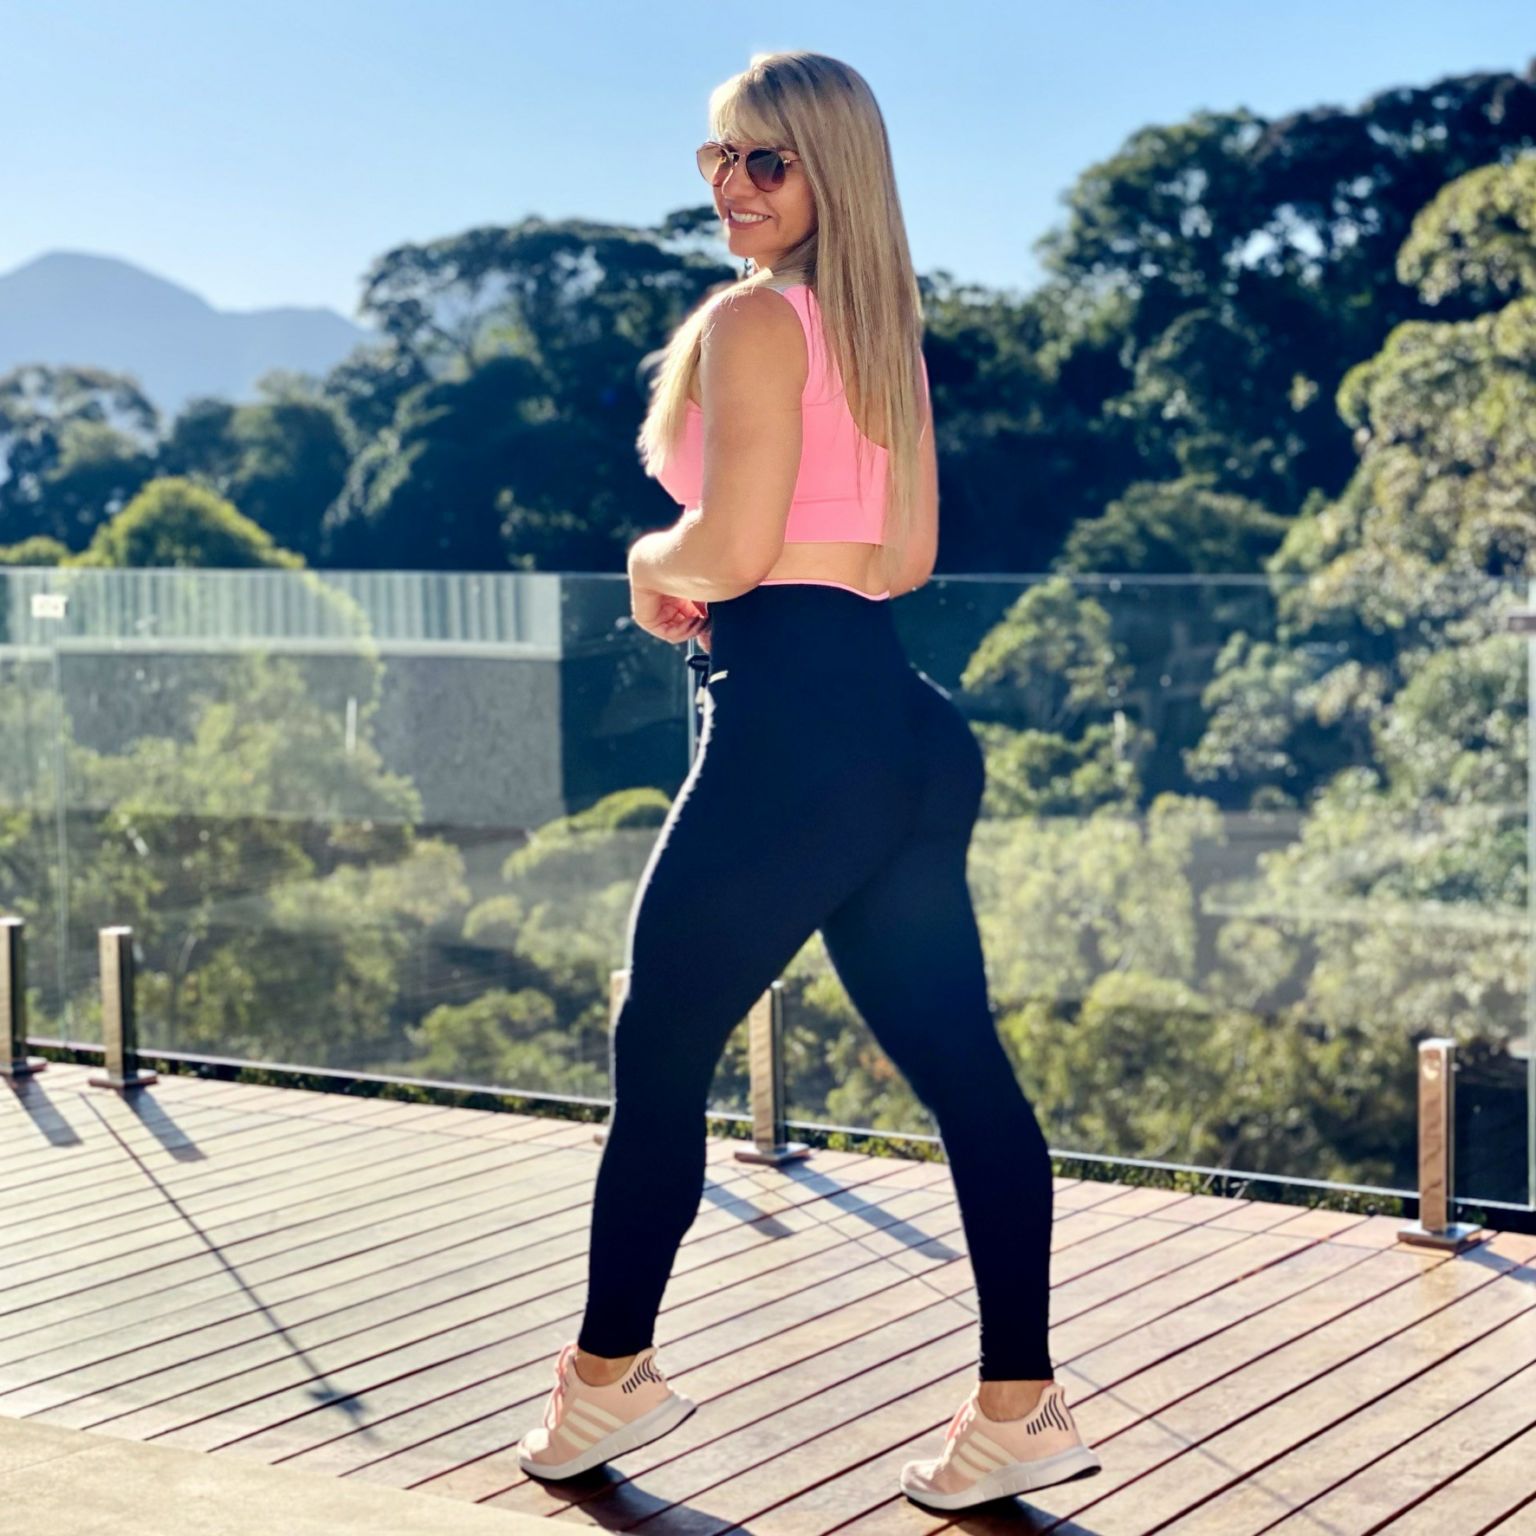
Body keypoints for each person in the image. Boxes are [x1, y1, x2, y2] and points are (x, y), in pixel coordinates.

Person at [517, 49, 1102, 1510]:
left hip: (791, 736)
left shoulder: (751, 323)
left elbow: (725, 546)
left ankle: (604, 1380)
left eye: (766, 160)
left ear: (831, 172)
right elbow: (900, 560)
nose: (732, 185)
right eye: (717, 156)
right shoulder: (879, 332)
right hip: (902, 732)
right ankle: (1019, 1407)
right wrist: (740, 564)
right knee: (964, 1072)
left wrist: (650, 561)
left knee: (659, 1051)